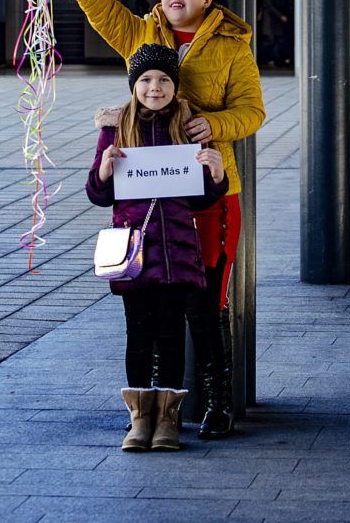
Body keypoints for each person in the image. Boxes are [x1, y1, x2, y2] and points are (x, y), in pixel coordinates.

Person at [49, 0, 265, 439]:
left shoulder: (232, 49)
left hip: (209, 192)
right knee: (149, 304)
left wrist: (214, 125)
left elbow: (252, 112)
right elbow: (101, 8)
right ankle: (151, 412)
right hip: (146, 198)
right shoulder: (142, 35)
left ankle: (218, 403)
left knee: (206, 300)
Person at [86, 44, 227, 452]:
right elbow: (98, 194)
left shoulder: (185, 126)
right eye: (146, 80)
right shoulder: (115, 130)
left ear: (174, 86)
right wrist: (104, 170)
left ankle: (167, 420)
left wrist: (215, 175)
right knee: (138, 335)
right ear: (134, 86)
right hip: (134, 254)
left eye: (164, 80)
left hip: (178, 251)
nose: (155, 87)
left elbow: (199, 199)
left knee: (170, 335)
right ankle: (139, 419)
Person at [259, 0, 292, 67]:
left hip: (274, 23)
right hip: (269, 22)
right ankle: (262, 57)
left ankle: (272, 59)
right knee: (269, 41)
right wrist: (281, 16)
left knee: (273, 41)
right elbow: (270, 6)